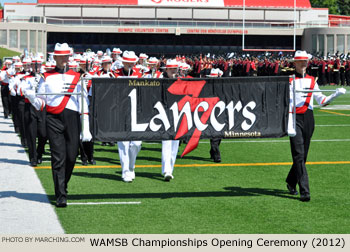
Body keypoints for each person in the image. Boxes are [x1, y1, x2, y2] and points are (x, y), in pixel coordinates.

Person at [24, 43, 92, 207]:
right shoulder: (45, 76)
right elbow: (41, 104)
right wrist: (32, 97)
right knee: (58, 158)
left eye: (66, 56)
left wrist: (86, 127)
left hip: (72, 119)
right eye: (60, 56)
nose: (64, 59)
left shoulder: (78, 76)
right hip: (53, 119)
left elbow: (83, 102)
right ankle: (60, 194)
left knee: (71, 156)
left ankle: (63, 184)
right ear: (54, 57)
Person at [286, 50, 346, 202]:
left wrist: (335, 95)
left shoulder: (313, 80)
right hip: (294, 118)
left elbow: (322, 101)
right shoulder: (288, 80)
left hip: (308, 118)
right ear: (295, 64)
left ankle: (291, 181)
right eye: (300, 61)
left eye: (305, 60)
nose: (303, 63)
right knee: (298, 154)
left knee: (303, 156)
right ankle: (305, 191)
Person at [114, 51, 143, 182]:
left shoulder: (140, 74)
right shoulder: (115, 74)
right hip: (120, 112)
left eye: (132, 62)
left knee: (136, 143)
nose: (130, 64)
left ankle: (131, 166)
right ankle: (125, 170)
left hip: (136, 112)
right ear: (123, 62)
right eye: (128, 61)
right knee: (123, 143)